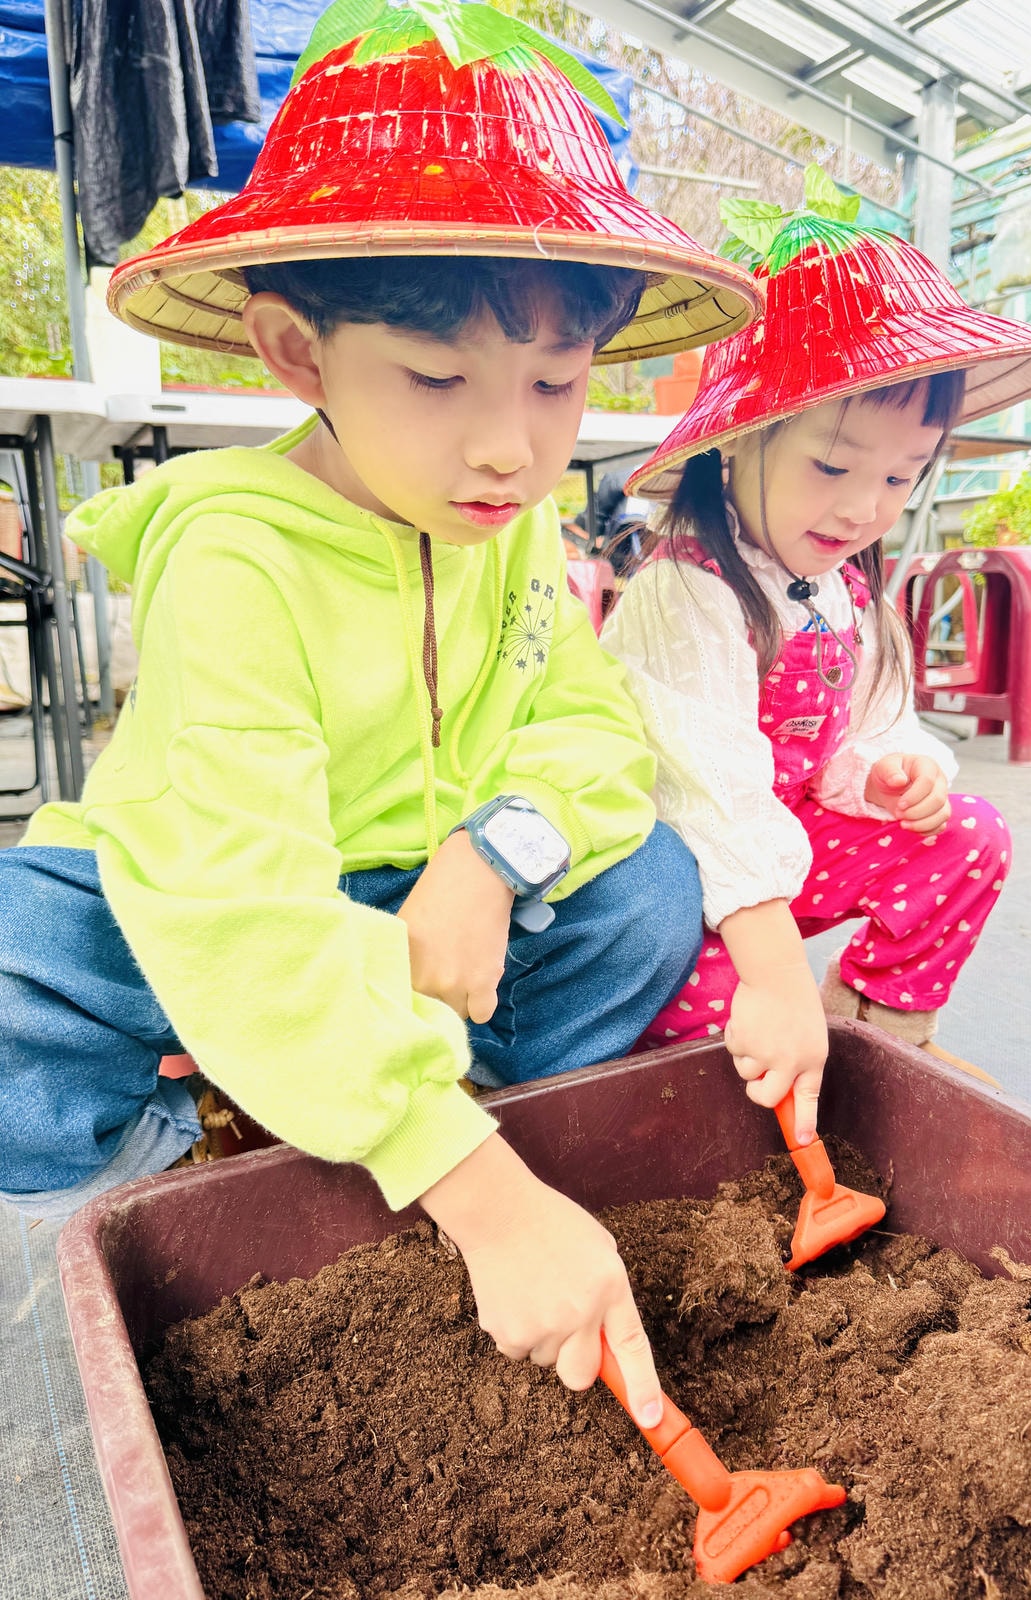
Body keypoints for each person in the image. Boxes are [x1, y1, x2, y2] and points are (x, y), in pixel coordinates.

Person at [0, 0, 762, 1426]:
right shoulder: (236, 555)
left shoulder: (512, 530)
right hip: (226, 907)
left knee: (648, 888)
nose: (510, 446)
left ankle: (411, 1098)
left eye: (556, 383)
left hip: (426, 908)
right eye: (436, 378)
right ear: (298, 352)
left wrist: (494, 855)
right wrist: (481, 1198)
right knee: (21, 967)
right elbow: (239, 905)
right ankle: (216, 1153)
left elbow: (593, 732)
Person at [602, 205, 1031, 1142]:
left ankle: (878, 1033)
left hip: (780, 855)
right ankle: (744, 1093)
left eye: (902, 477)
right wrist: (774, 975)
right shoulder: (685, 590)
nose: (866, 507)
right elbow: (705, 799)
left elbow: (870, 724)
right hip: (681, 885)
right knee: (723, 1023)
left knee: (966, 836)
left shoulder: (844, 590)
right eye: (832, 466)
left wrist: (887, 773)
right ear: (738, 437)